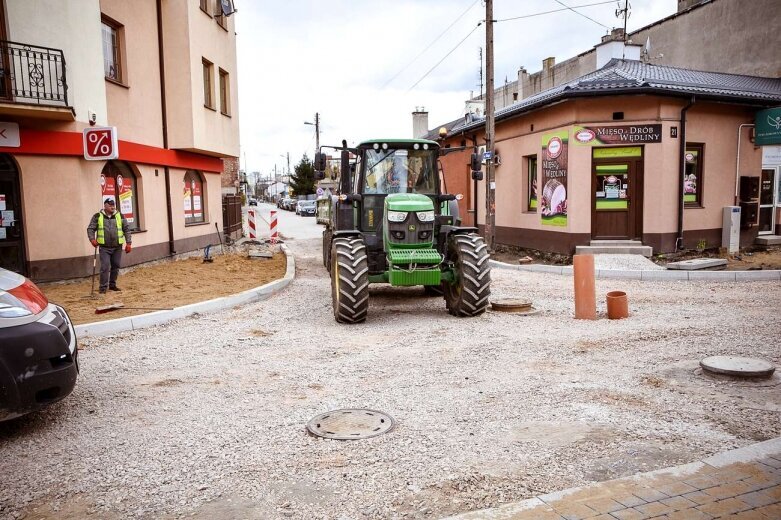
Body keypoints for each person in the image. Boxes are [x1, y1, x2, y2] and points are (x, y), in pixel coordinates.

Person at [87, 198, 132, 293]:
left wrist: (128, 243)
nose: (113, 207)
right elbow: (90, 228)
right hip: (104, 247)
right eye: (110, 205)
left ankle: (112, 285)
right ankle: (103, 288)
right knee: (105, 267)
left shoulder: (120, 215)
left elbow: (127, 230)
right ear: (105, 206)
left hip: (117, 247)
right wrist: (92, 239)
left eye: (113, 205)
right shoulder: (98, 216)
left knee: (116, 265)